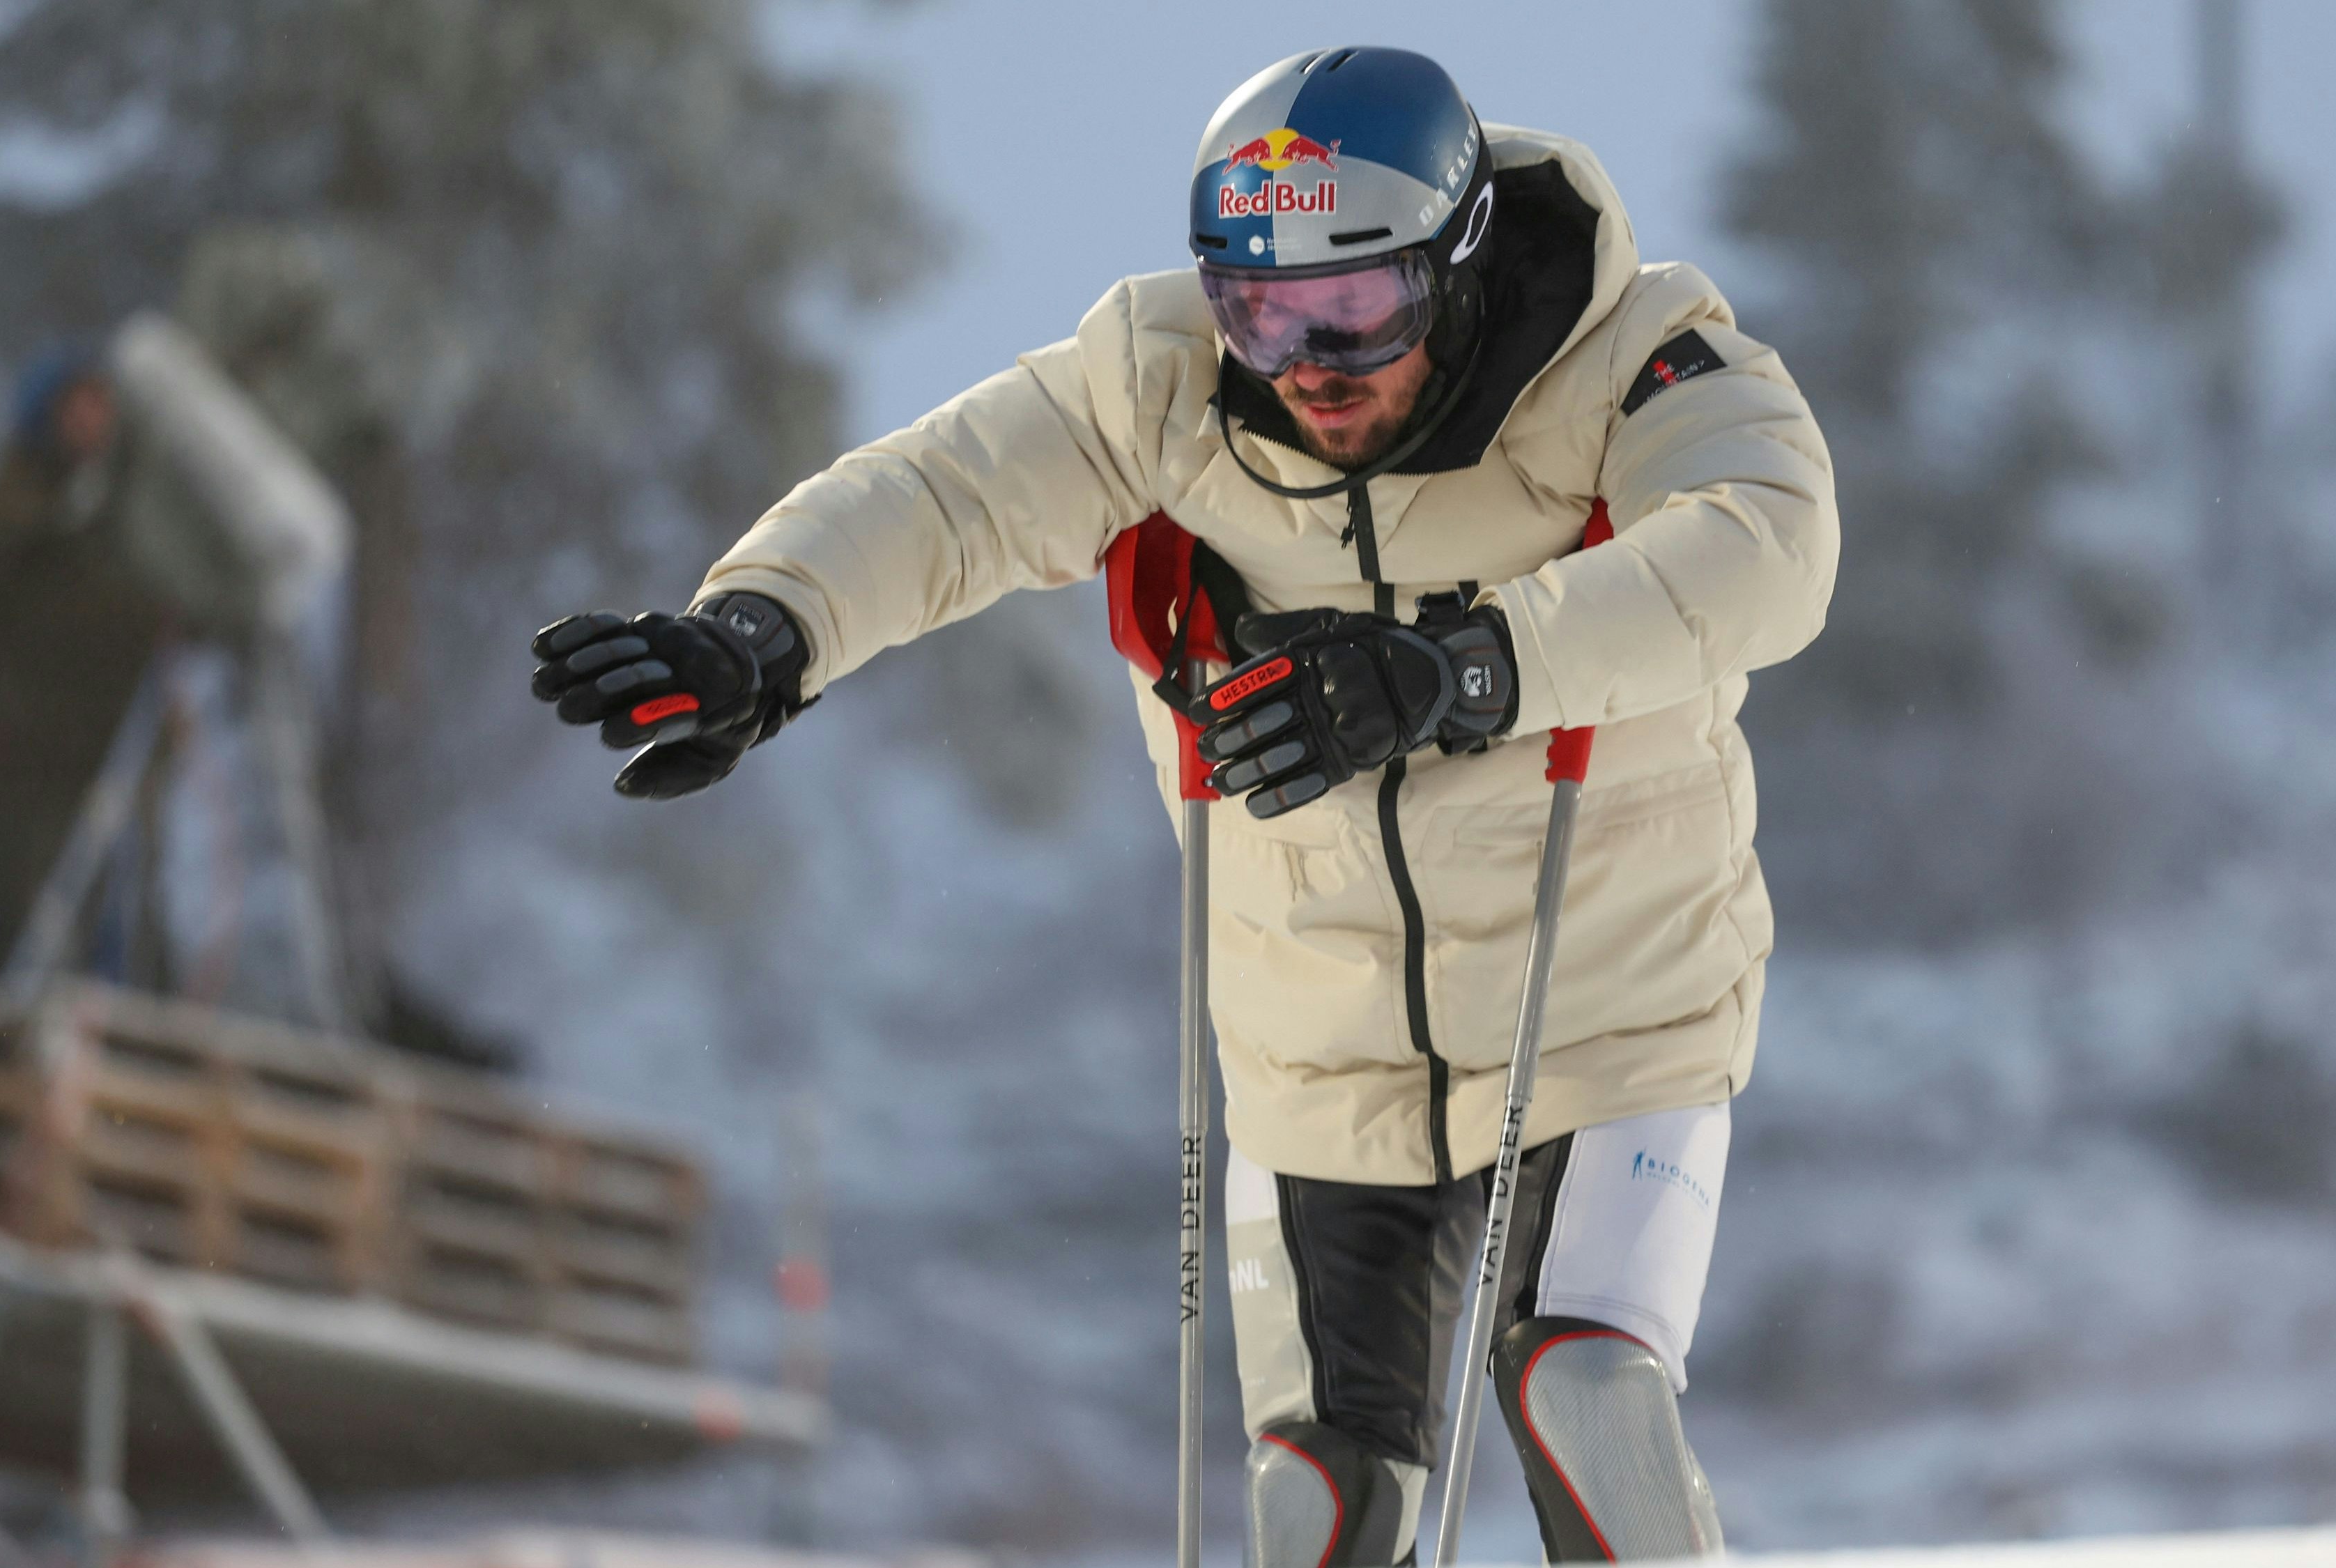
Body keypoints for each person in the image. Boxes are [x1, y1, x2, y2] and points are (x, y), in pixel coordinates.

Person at [532, 47, 1837, 1563]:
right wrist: (760, 631)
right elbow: (942, 495)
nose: (1310, 363)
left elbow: (1767, 540)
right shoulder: (1158, 386)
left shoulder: (1633, 357)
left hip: (1602, 1004)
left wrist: (1466, 668)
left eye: (1359, 307)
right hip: (1313, 1039)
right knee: (1320, 1508)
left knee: (1584, 1396)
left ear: (1464, 256)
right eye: (1260, 307)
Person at [0, 350, 174, 983]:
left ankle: (115, 1050)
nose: (92, 423)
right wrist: (39, 518)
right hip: (19, 767)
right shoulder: (9, 499)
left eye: (102, 408)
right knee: (9, 931)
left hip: (116, 765)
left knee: (119, 932)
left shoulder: (135, 514)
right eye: (76, 408)